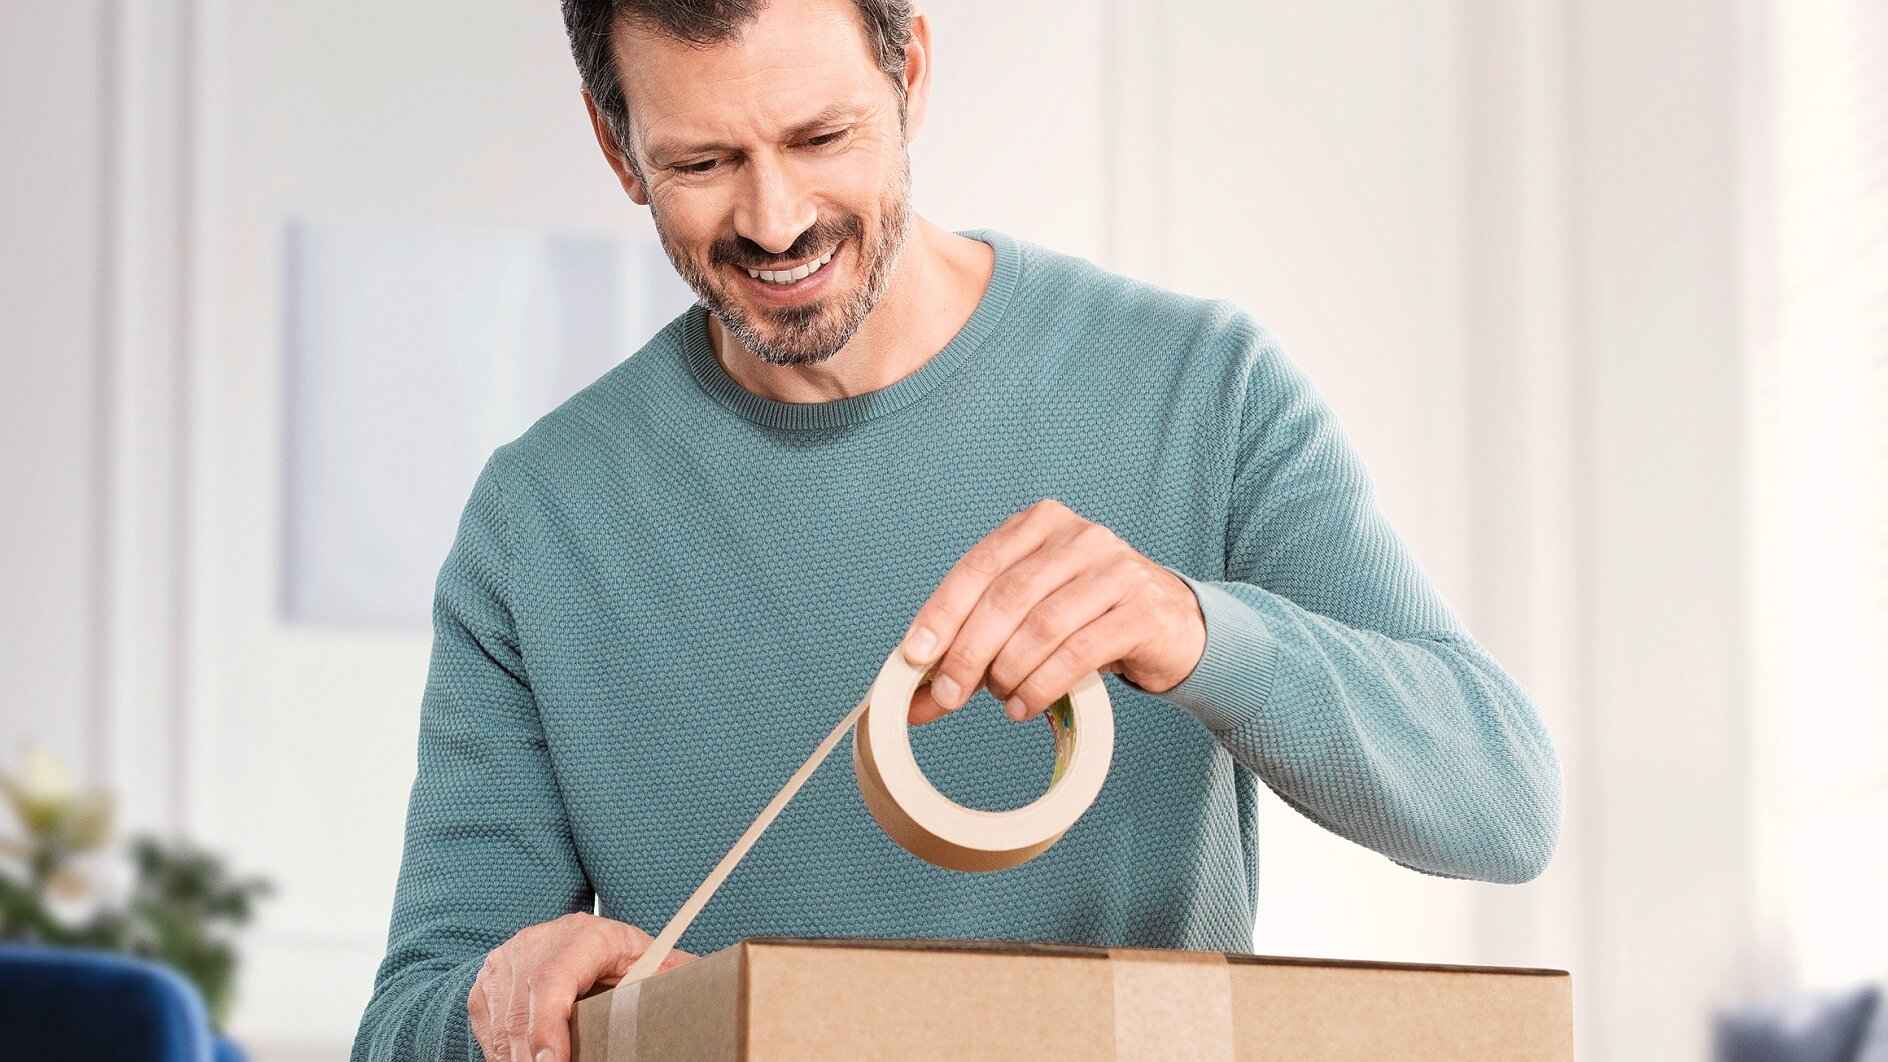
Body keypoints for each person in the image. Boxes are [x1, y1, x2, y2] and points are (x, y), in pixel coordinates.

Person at [350, 1, 1564, 1059]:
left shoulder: (1200, 388)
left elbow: (1502, 804)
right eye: (703, 161)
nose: (775, 219)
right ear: (617, 146)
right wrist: (500, 1002)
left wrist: (1198, 630)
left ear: (911, 74)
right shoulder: (540, 521)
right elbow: (409, 1018)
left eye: (821, 138)